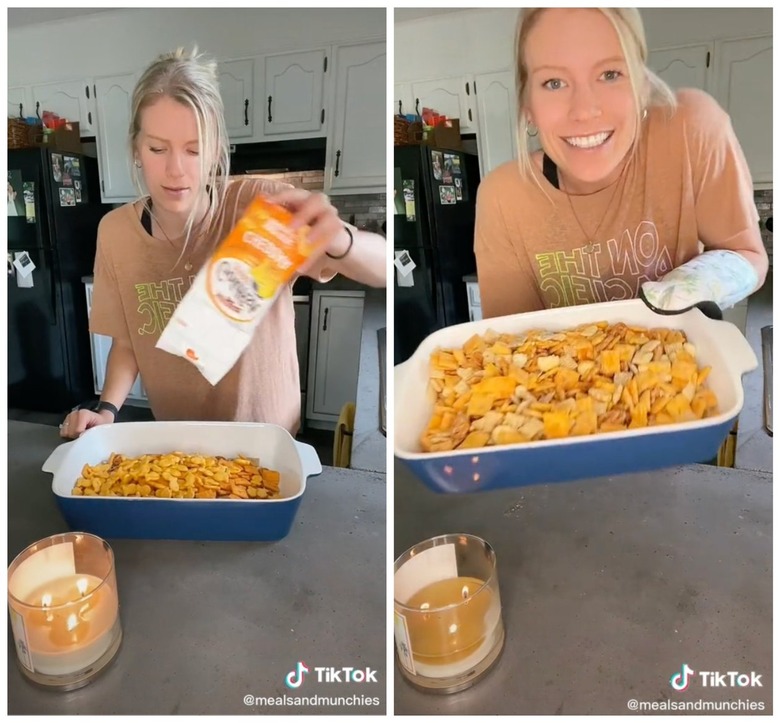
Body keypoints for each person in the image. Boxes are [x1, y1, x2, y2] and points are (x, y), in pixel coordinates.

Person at [60, 47, 386, 439]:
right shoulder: (114, 233)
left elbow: (383, 268)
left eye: (194, 149)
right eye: (157, 148)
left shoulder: (262, 210)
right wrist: (108, 410)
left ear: (215, 149)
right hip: (179, 440)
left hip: (268, 437)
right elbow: (129, 341)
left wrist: (340, 239)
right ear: (135, 149)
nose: (176, 169)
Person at [475, 8, 768, 319]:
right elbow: (507, 347)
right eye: (554, 82)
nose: (584, 111)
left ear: (641, 86)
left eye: (610, 74)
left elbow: (746, 254)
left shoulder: (691, 130)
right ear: (527, 104)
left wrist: (692, 284)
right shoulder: (503, 198)